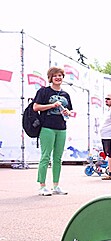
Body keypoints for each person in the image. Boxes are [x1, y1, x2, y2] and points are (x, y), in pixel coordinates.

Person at [33, 66, 73, 196]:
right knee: (45, 156)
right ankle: (42, 186)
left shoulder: (66, 94)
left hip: (61, 128)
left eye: (60, 75)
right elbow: (35, 107)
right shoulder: (44, 91)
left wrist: (69, 112)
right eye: (55, 75)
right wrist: (52, 105)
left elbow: (70, 111)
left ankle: (56, 185)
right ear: (51, 78)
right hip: (47, 128)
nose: (58, 78)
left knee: (58, 158)